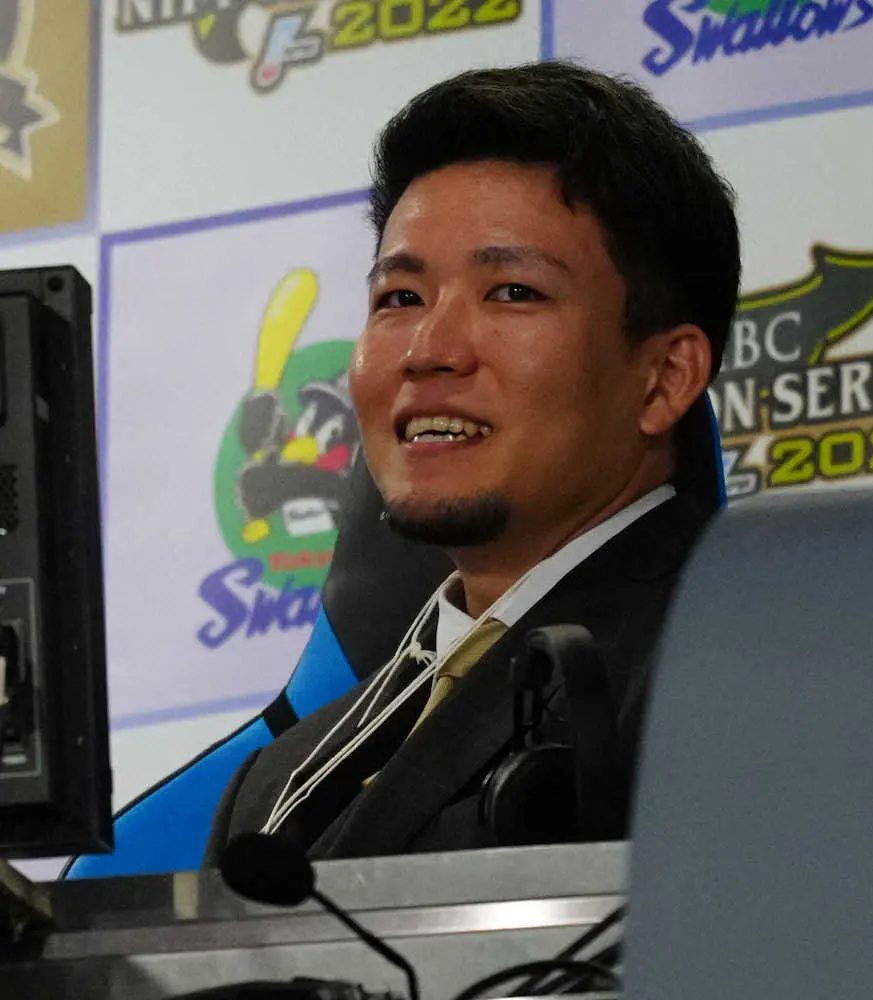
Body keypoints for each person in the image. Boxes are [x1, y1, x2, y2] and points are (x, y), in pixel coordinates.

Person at [205, 61, 740, 863]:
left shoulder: (758, 673)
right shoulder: (271, 787)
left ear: (665, 378)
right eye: (400, 299)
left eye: (512, 292)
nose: (428, 349)